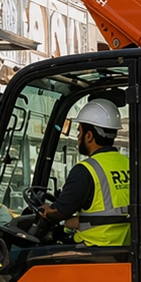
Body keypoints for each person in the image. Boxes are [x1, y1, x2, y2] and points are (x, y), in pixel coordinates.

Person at [38, 99, 130, 246]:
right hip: (125, 245)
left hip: (93, 248)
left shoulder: (85, 170)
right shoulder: (129, 164)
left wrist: (45, 210)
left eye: (79, 131)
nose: (78, 136)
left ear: (89, 136)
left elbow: (61, 211)